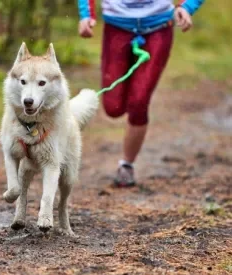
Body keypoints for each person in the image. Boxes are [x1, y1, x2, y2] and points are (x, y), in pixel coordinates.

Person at [78, 0, 205, 187]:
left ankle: (126, 166)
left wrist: (187, 7)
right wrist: (86, 14)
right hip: (117, 26)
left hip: (159, 26)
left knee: (139, 102)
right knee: (113, 107)